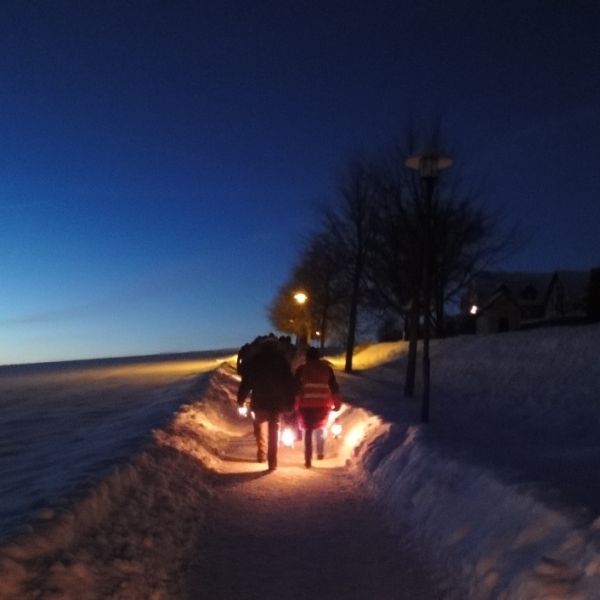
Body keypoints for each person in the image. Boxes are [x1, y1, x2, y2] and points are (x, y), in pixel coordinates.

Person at [237, 340, 295, 471]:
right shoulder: (282, 361)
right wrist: (290, 400)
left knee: (260, 428)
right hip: (276, 402)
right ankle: (272, 460)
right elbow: (289, 382)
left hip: (259, 401)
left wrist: (241, 399)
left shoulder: (255, 361)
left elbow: (246, 382)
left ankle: (261, 454)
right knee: (274, 431)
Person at [294, 346, 341, 468]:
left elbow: (295, 387)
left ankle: (307, 458)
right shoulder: (327, 369)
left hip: (305, 405)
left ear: (308, 357)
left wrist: (293, 402)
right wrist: (337, 403)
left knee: (307, 431)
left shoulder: (302, 369)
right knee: (320, 429)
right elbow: (334, 387)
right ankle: (320, 453)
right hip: (323, 404)